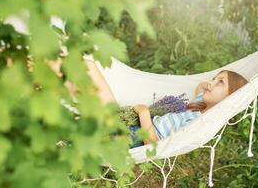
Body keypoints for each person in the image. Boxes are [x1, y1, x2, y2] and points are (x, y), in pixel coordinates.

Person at [83, 58, 248, 148]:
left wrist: (144, 113)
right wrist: (208, 85)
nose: (211, 83)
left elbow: (154, 145)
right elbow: (200, 87)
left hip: (135, 137)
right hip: (131, 125)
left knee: (87, 69)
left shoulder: (198, 123)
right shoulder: (199, 106)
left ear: (230, 98)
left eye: (220, 82)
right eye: (214, 78)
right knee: (87, 66)